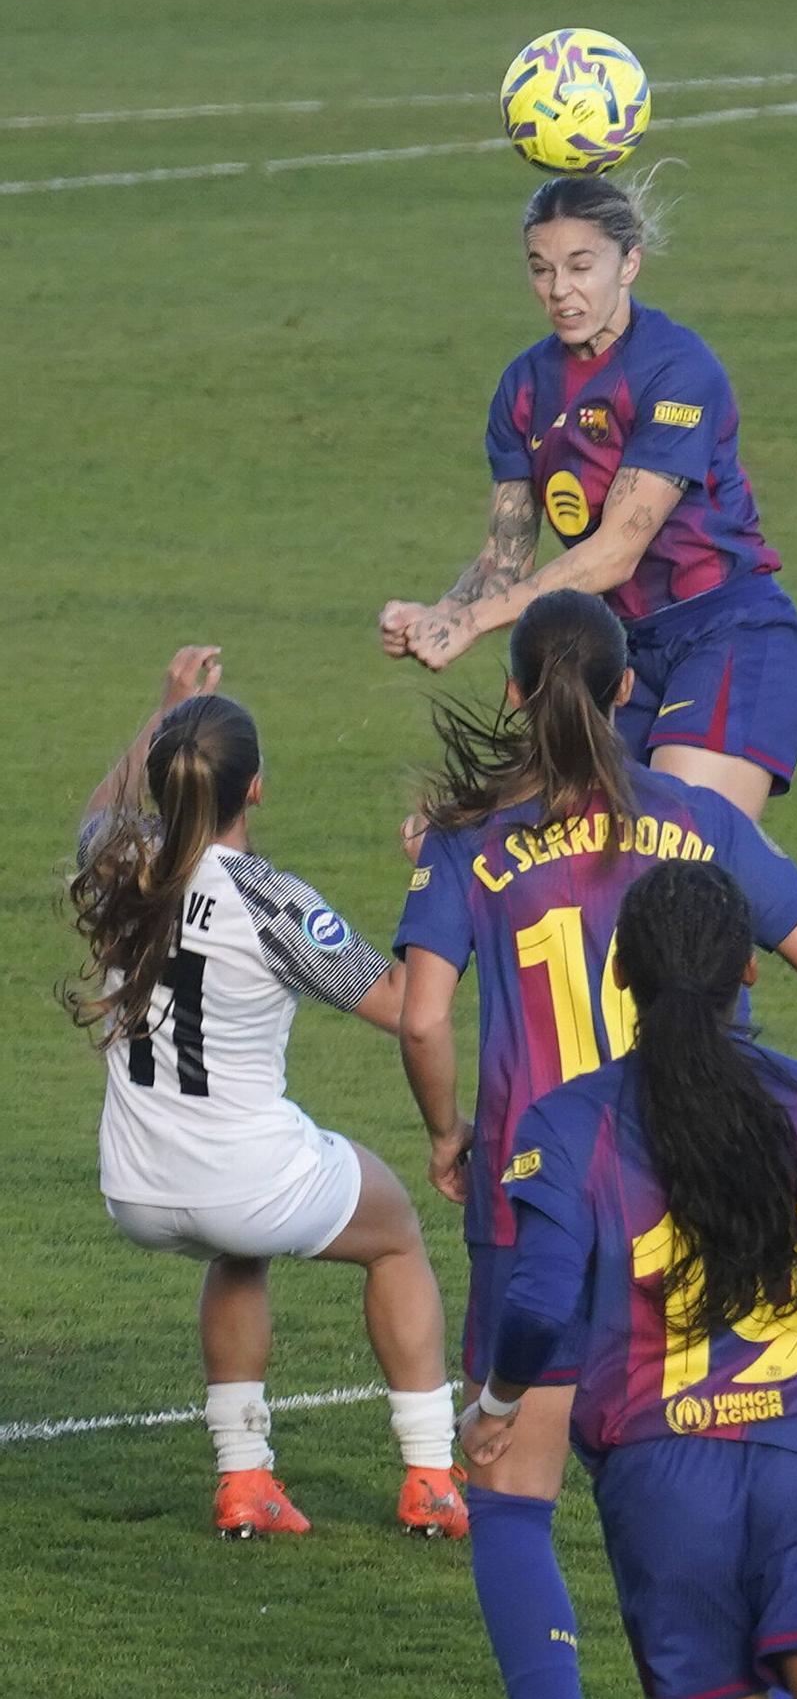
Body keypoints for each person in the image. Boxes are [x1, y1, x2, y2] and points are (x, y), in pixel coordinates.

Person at [395, 592, 797, 1699]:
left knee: (514, 1487)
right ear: (625, 695)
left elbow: (420, 1020)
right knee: (746, 1414)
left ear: (515, 695)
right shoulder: (698, 819)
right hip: (705, 1175)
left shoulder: (471, 846)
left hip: (547, 1188)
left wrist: (449, 1130)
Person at [460, 861, 797, 1699]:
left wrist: (497, 1405)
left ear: (622, 975)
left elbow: (534, 1307)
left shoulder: (570, 1124)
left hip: (664, 1480)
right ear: (749, 971)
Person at [64, 647, 466, 1541]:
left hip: (136, 1188)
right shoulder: (272, 900)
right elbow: (406, 1006)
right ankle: (432, 1477)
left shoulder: (119, 861)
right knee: (396, 1235)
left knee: (238, 1251)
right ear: (255, 791)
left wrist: (164, 709)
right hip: (244, 1178)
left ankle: (245, 1482)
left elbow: (97, 816)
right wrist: (430, 875)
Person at [380, 170, 797, 820]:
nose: (560, 290)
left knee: (680, 853)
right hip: (622, 656)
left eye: (581, 266)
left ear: (629, 261)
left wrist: (466, 625)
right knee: (589, 873)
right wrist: (435, 612)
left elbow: (615, 553)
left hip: (728, 634)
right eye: (541, 269)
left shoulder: (677, 369)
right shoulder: (523, 388)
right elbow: (505, 558)